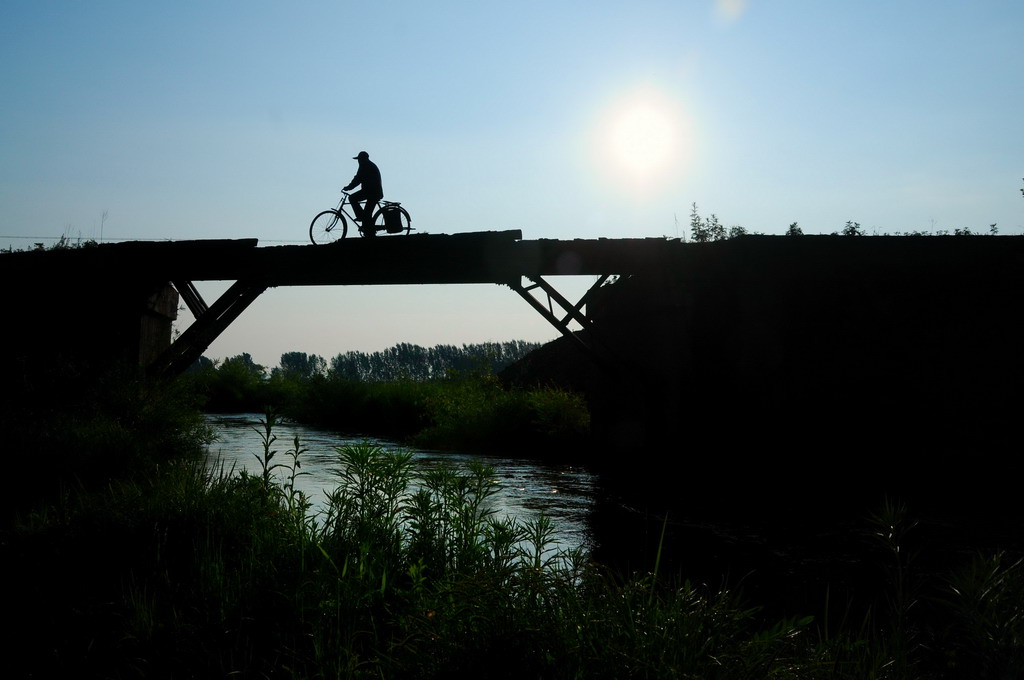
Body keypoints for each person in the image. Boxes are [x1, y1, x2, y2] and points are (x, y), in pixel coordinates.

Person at [343, 151, 384, 235]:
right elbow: (358, 178)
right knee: (367, 214)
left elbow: (358, 178)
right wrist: (350, 187)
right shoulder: (368, 165)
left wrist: (349, 187)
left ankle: (362, 219)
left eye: (359, 159)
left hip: (372, 192)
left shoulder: (365, 166)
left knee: (352, 198)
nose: (358, 161)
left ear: (362, 159)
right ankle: (368, 230)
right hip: (371, 192)